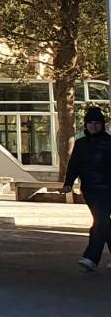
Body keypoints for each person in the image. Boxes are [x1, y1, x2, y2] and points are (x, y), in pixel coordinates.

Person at [63, 107, 111, 272]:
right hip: (90, 190)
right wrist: (68, 183)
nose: (93, 126)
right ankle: (91, 258)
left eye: (97, 123)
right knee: (103, 222)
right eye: (90, 123)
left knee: (101, 221)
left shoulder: (109, 142)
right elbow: (74, 165)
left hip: (107, 188)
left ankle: (91, 258)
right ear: (85, 125)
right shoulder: (81, 144)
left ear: (102, 124)